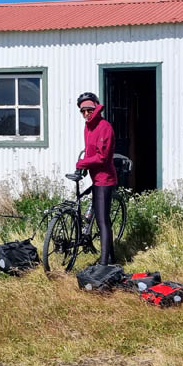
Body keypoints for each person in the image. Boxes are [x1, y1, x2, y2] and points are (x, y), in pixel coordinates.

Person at [75, 92, 117, 265]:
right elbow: (89, 150)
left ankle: (104, 264)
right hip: (95, 177)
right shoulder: (88, 127)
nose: (86, 114)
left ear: (96, 108)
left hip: (105, 179)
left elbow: (102, 157)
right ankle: (112, 258)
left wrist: (82, 163)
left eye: (89, 110)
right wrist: (83, 168)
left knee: (102, 221)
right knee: (102, 218)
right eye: (82, 111)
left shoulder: (104, 126)